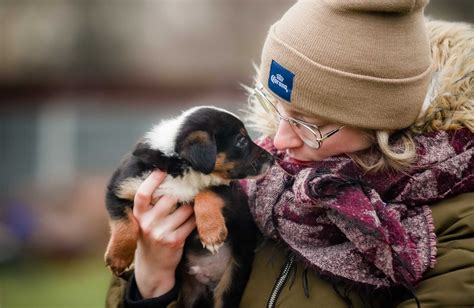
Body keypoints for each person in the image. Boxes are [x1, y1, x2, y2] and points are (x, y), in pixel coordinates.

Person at [106, 0, 474, 307]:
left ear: (382, 125)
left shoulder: (457, 226)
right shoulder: (250, 179)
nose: (278, 140)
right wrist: (151, 281)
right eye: (276, 107)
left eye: (306, 123)